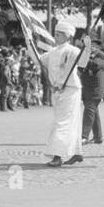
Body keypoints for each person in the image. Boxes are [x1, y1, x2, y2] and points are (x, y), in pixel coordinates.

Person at [39, 21, 90, 167]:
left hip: (71, 89)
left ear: (67, 36)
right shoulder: (52, 52)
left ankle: (58, 155)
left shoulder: (72, 50)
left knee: (62, 122)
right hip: (57, 90)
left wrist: (87, 49)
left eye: (58, 34)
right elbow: (40, 61)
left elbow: (83, 63)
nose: (55, 36)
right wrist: (29, 44)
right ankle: (76, 152)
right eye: (55, 33)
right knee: (69, 121)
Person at [80, 46, 104, 144]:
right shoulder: (88, 57)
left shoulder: (100, 57)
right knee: (94, 113)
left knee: (89, 113)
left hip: (95, 91)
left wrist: (83, 59)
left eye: (92, 46)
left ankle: (84, 136)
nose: (90, 48)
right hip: (88, 90)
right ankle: (98, 137)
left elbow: (94, 65)